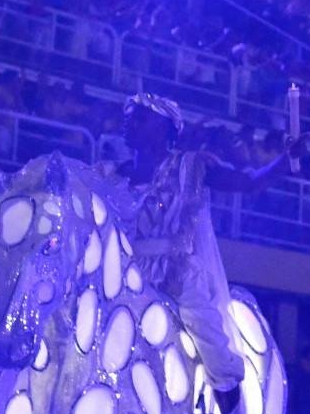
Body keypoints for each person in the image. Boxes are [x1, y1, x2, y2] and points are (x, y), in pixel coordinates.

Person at [115, 94, 293, 388]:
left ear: (165, 130)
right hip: (124, 270)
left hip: (173, 270)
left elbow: (247, 183)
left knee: (207, 332)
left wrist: (286, 161)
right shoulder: (111, 174)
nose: (129, 121)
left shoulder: (190, 167)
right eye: (130, 115)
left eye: (141, 118)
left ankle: (227, 394)